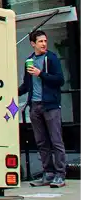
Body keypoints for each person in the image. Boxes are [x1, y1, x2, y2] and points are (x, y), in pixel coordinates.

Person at [18, 30, 67, 188]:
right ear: (33, 44)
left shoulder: (51, 58)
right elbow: (26, 85)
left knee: (56, 141)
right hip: (35, 106)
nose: (44, 44)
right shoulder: (29, 61)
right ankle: (48, 173)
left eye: (45, 41)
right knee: (41, 142)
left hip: (50, 105)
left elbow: (60, 80)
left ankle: (60, 174)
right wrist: (11, 92)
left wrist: (41, 74)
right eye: (40, 41)